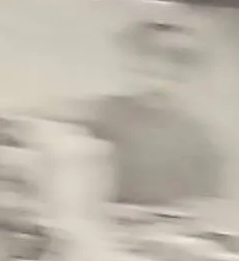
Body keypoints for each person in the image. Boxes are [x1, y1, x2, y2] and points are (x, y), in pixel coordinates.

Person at [84, 12, 229, 215]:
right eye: (149, 58)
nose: (161, 70)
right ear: (133, 61)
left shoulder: (200, 138)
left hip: (175, 227)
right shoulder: (98, 116)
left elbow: (207, 206)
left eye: (175, 61)